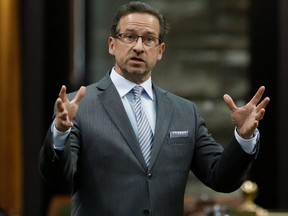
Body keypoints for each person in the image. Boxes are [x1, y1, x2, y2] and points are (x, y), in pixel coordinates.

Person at [39, 1, 270, 216]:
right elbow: (60, 179)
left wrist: (243, 138)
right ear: (112, 45)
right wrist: (60, 132)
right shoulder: (79, 107)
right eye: (129, 37)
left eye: (149, 39)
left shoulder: (183, 111)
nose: (138, 47)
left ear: (160, 50)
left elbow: (220, 177)